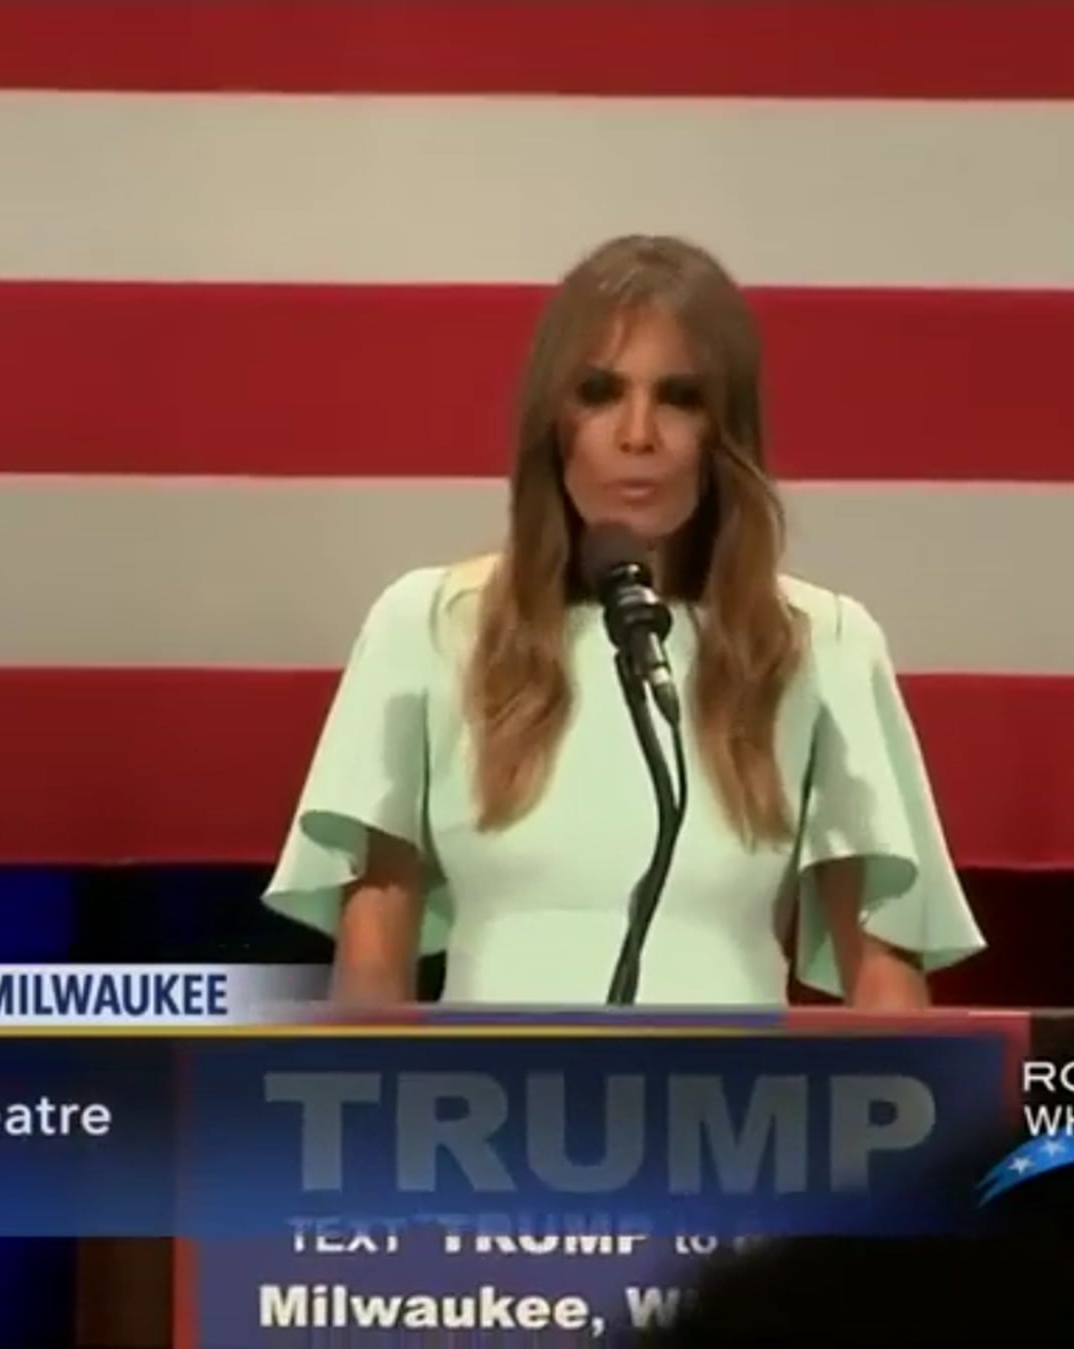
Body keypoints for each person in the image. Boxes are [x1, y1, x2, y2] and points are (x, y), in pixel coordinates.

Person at [261, 235, 984, 1006]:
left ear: (725, 431)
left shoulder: (823, 644)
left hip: (733, 1087)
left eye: (680, 397)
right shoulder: (430, 625)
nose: (637, 434)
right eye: (600, 392)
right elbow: (372, 969)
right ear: (552, 418)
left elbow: (886, 993)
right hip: (490, 1086)